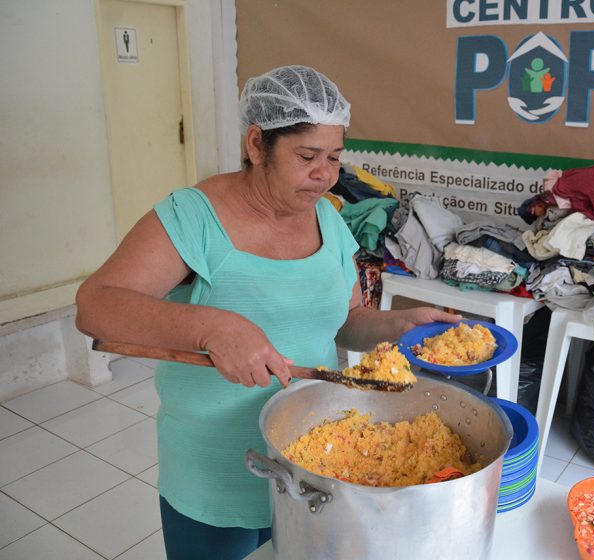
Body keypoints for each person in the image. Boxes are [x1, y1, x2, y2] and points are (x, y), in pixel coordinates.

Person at [75, 65, 460, 560]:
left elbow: (344, 320)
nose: (325, 174)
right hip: (217, 471)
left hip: (316, 463)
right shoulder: (194, 218)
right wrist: (213, 327)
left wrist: (399, 325)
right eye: (307, 156)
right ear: (257, 144)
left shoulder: (326, 216)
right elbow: (96, 303)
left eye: (334, 158)